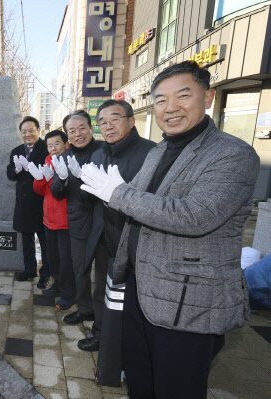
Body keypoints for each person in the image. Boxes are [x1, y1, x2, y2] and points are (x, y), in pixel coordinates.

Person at [79, 60, 260, 398]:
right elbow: (144, 206)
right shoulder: (161, 149)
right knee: (141, 381)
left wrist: (118, 193)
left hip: (189, 301)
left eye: (183, 95)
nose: (170, 108)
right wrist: (122, 193)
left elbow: (196, 216)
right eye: (161, 100)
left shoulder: (232, 154)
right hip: (141, 287)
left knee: (177, 388)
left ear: (207, 97)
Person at [72, 100, 156, 353]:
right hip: (102, 233)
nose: (108, 127)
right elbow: (89, 198)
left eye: (115, 119)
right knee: (102, 287)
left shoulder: (151, 153)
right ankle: (100, 333)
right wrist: (84, 184)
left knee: (131, 293)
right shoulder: (100, 153)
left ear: (131, 120)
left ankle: (130, 341)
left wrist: (118, 192)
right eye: (103, 122)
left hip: (134, 236)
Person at [50, 110, 104, 316]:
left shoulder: (104, 150)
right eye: (72, 130)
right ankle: (84, 308)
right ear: (67, 135)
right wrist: (63, 178)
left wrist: (83, 178)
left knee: (104, 271)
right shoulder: (64, 157)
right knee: (80, 268)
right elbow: (56, 192)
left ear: (91, 128)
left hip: (106, 220)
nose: (78, 133)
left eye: (82, 128)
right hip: (78, 220)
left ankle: (104, 314)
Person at [29, 130, 74, 310]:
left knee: (66, 260)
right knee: (53, 258)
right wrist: (40, 179)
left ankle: (69, 294)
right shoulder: (48, 161)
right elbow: (40, 191)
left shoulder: (70, 162)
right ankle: (57, 286)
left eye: (57, 144)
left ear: (66, 144)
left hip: (65, 220)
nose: (53, 148)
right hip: (49, 218)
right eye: (49, 145)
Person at [7, 116, 51, 288]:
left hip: (41, 202)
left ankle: (46, 273)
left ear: (38, 130)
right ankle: (30, 269)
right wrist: (17, 169)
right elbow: (10, 174)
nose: (27, 134)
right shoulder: (16, 150)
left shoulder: (46, 148)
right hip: (23, 203)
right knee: (26, 239)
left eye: (31, 130)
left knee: (45, 241)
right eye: (24, 131)